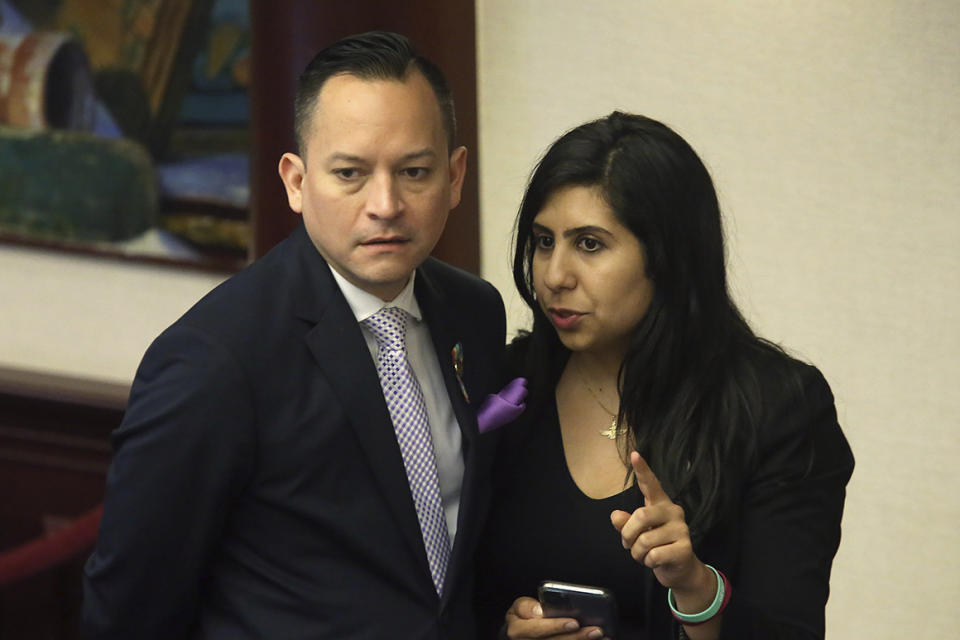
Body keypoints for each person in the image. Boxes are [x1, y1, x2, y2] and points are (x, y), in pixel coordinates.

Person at [81, 31, 506, 639]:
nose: (386, 204)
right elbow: (128, 610)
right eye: (350, 174)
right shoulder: (215, 361)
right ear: (296, 181)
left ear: (456, 175)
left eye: (415, 171)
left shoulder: (475, 312)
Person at [475, 112, 854, 639]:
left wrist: (697, 588)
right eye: (543, 241)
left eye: (589, 244)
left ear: (668, 256)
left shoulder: (779, 407)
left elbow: (790, 629)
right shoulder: (510, 385)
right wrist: (506, 630)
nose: (554, 275)